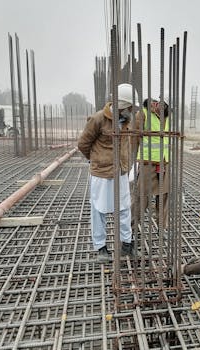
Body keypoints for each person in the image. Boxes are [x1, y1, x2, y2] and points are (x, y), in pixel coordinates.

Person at [78, 83, 138, 263]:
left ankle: (127, 245)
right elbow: (83, 144)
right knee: (99, 210)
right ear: (122, 105)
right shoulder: (98, 119)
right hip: (101, 174)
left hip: (121, 172)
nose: (132, 110)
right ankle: (101, 248)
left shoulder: (127, 121)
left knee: (124, 208)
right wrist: (96, 160)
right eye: (130, 107)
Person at [131, 95, 170, 231]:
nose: (162, 108)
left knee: (163, 197)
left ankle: (162, 228)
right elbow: (133, 138)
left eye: (166, 107)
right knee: (141, 198)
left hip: (164, 163)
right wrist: (133, 160)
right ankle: (131, 228)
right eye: (161, 104)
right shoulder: (143, 114)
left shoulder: (168, 117)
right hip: (148, 163)